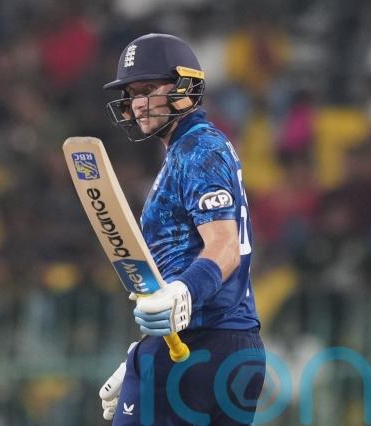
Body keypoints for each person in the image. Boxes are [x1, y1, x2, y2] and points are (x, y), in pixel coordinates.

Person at [99, 33, 265, 425]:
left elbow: (225, 247)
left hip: (193, 349)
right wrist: (145, 349)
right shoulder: (197, 148)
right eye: (131, 94)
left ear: (185, 87)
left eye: (147, 90)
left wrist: (181, 295)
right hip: (233, 347)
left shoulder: (197, 149)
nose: (137, 103)